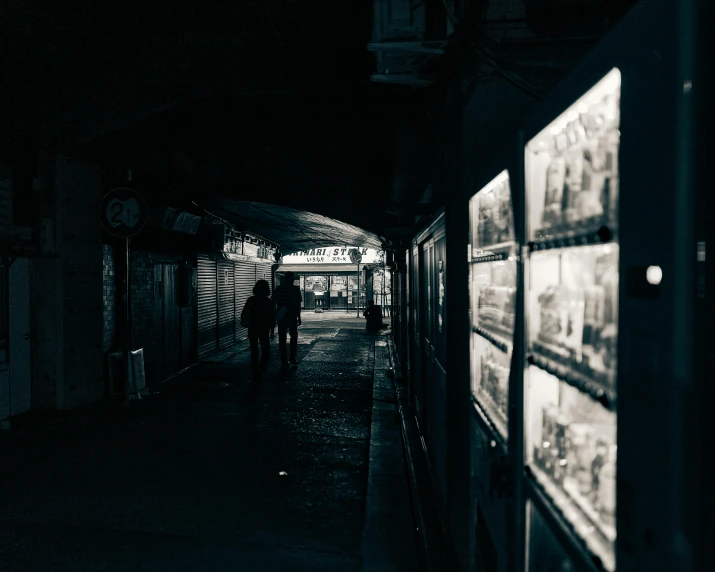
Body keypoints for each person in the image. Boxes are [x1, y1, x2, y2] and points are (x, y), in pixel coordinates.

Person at [241, 279, 275, 381]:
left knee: (254, 350)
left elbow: (244, 312)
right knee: (266, 350)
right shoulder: (269, 302)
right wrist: (272, 331)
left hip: (252, 328)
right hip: (264, 329)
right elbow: (272, 317)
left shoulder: (250, 300)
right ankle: (262, 368)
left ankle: (254, 369)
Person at [273, 271, 302, 367]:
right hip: (292, 315)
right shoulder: (295, 289)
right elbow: (298, 304)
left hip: (281, 316)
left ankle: (284, 359)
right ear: (292, 279)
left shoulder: (279, 289)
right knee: (293, 336)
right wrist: (299, 316)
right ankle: (292, 357)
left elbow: (274, 302)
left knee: (282, 337)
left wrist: (274, 316)